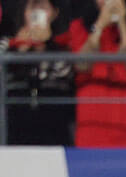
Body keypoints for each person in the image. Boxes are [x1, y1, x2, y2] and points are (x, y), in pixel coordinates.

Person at [68, 0, 126, 147]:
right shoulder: (78, 26)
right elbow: (82, 64)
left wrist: (122, 23)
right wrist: (100, 25)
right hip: (92, 121)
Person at [0, 0, 75, 145]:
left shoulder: (63, 47)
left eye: (42, 8)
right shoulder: (7, 44)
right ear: (24, 13)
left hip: (54, 126)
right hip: (15, 126)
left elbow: (65, 72)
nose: (36, 13)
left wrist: (47, 47)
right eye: (32, 7)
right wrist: (20, 47)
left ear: (54, 14)